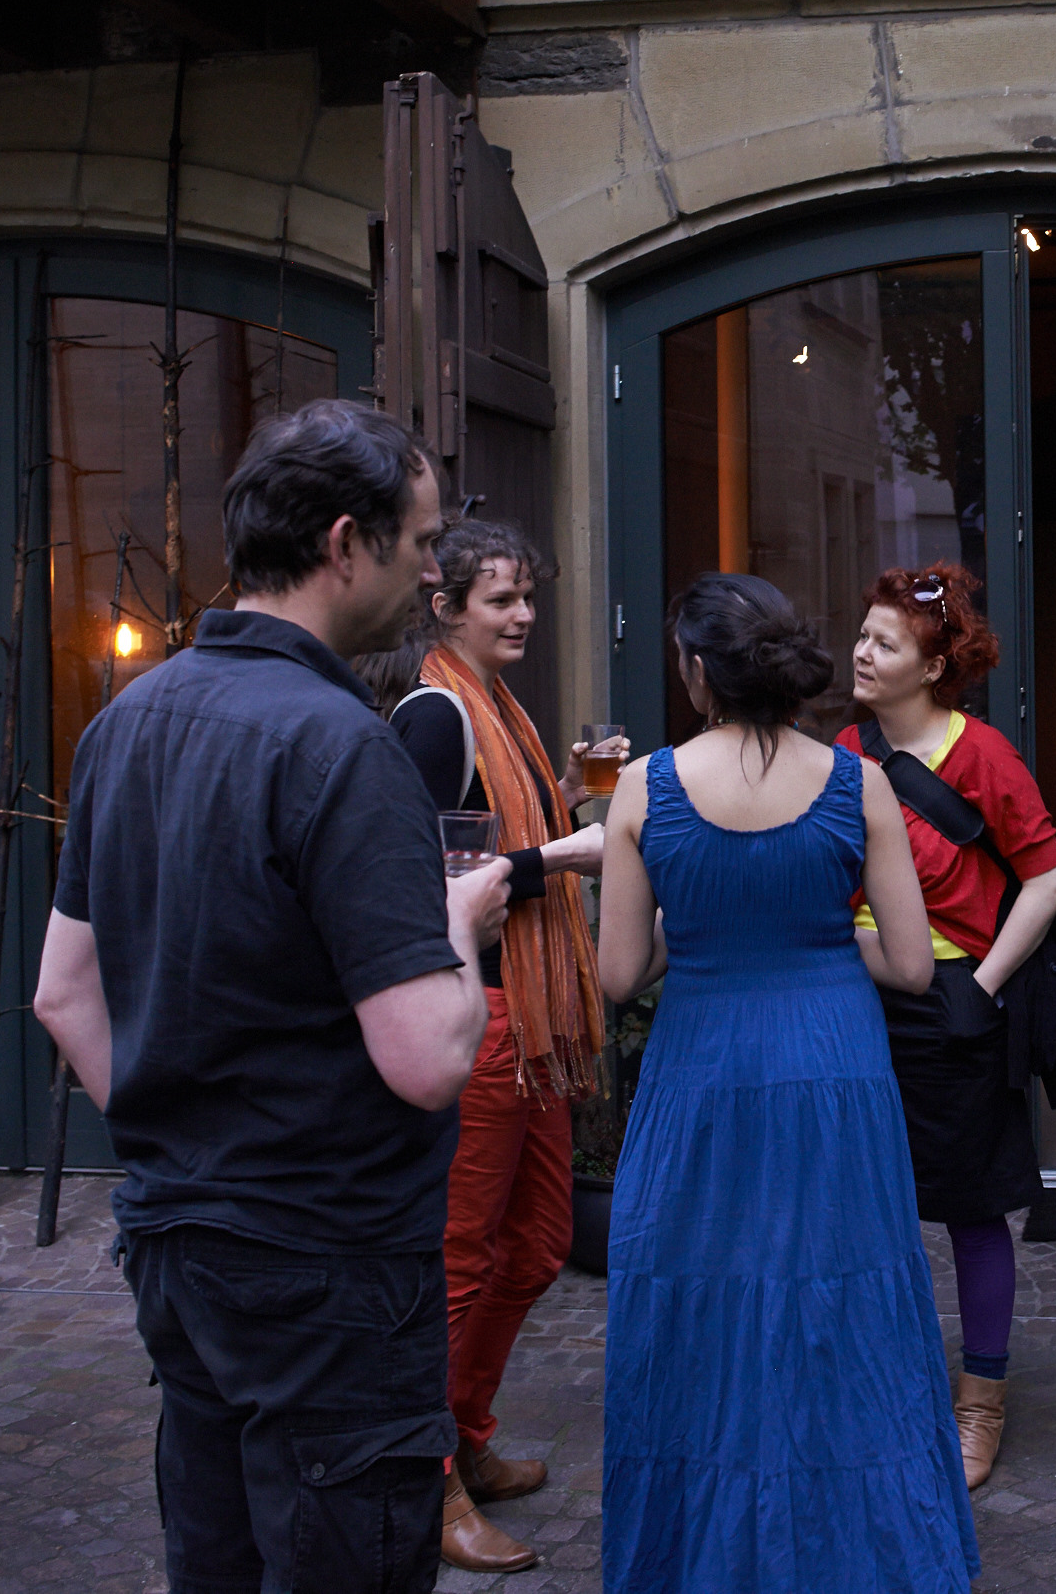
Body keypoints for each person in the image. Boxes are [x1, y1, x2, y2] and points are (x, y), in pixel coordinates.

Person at [32, 399, 512, 1594]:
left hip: (179, 1249)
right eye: (421, 544)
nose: (431, 574)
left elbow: (61, 994)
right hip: (328, 1266)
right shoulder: (345, 747)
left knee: (220, 1562)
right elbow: (425, 1060)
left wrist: (185, 1149)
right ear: (346, 543)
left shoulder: (124, 722)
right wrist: (457, 926)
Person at [592, 573, 980, 1594]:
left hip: (703, 1069)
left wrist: (702, 922)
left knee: (700, 1297)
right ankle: (858, 1552)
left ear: (696, 671)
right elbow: (910, 962)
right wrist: (815, 940)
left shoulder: (645, 787)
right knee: (842, 1298)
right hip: (831, 1066)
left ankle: (702, 1556)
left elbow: (620, 974)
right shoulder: (860, 783)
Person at [385, 517, 612, 1576]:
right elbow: (426, 882)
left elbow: (488, 843)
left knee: (536, 1243)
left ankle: (468, 1437)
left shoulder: (500, 707)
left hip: (531, 1018)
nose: (523, 615)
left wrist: (560, 797)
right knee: (464, 1260)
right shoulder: (436, 714)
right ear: (446, 607)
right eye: (502, 599)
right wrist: (566, 853)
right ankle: (428, 1485)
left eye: (528, 596)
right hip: (477, 1014)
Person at [839, 559, 1056, 1490]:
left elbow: (1046, 879)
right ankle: (881, 1382)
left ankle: (981, 1403)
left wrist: (980, 983)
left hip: (950, 1005)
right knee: (866, 1207)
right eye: (863, 635)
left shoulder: (981, 756)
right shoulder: (844, 750)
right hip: (856, 1002)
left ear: (933, 668)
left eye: (885, 642)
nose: (862, 652)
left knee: (972, 1210)